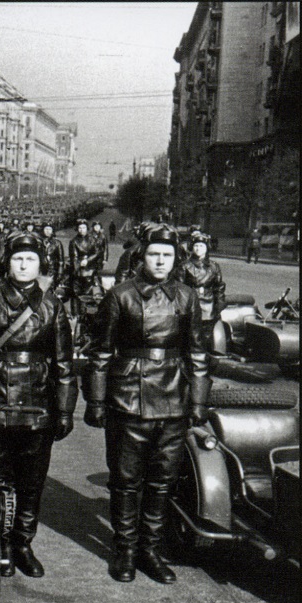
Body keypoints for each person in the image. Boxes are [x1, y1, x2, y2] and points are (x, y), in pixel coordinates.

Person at [84, 223, 211, 584]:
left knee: (161, 481)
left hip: (173, 398)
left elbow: (198, 354)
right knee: (126, 480)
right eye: (154, 253)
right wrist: (96, 400)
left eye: (167, 255)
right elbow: (100, 353)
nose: (160, 261)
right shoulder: (121, 296)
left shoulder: (187, 297)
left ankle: (149, 550)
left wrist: (198, 402)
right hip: (128, 397)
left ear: (176, 259)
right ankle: (124, 550)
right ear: (142, 256)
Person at [0, 232, 76, 578]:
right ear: (7, 263)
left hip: (38, 408)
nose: (23, 265)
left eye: (30, 259)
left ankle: (23, 544)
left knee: (32, 482)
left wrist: (65, 410)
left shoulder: (52, 306)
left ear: (40, 265)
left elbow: (64, 365)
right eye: (18, 258)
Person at [176, 234, 226, 350]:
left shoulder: (214, 266)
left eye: (202, 246)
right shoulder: (185, 266)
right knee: (189, 334)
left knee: (206, 335)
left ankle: (205, 355)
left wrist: (219, 303)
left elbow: (219, 287)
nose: (198, 249)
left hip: (208, 305)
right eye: (196, 246)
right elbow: (179, 288)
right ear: (192, 248)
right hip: (191, 304)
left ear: (207, 248)